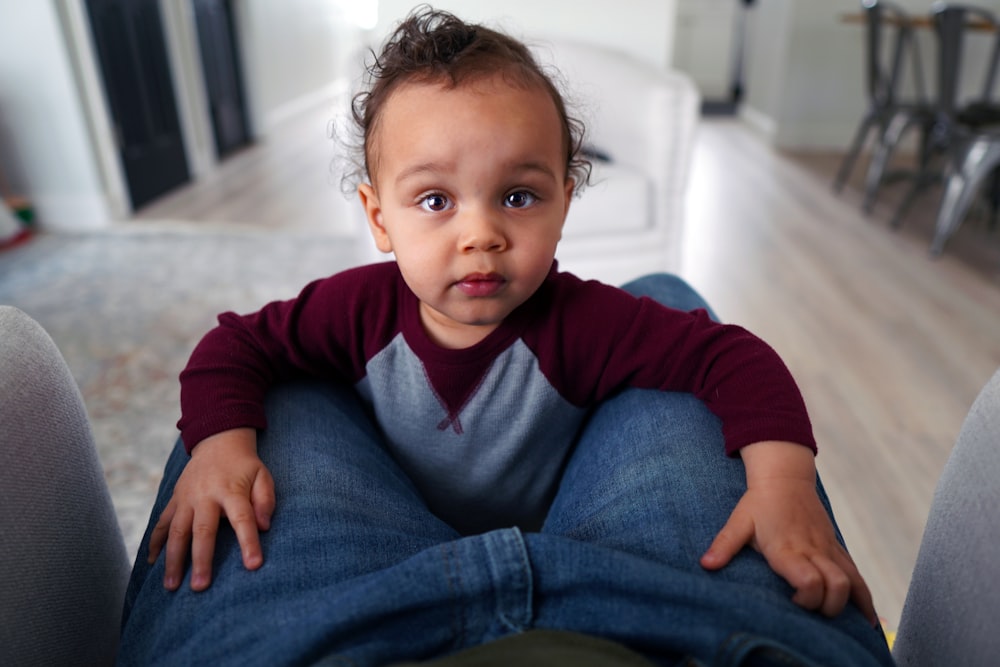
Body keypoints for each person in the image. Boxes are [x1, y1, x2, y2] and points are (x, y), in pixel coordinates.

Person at [118, 7, 894, 666]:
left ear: (564, 202)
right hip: (390, 515)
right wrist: (222, 445)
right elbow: (235, 345)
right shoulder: (354, 310)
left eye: (518, 195)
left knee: (672, 304)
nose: (481, 233)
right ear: (378, 217)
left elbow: (729, 356)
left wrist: (783, 485)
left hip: (562, 527)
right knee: (283, 391)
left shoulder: (585, 322)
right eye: (434, 200)